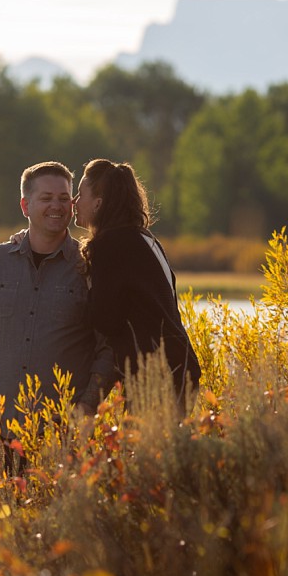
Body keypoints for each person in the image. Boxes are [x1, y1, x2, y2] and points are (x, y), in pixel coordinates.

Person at [0, 161, 113, 474]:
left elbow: (109, 345)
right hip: (3, 432)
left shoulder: (89, 269)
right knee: (7, 520)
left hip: (66, 436)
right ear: (25, 205)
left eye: (64, 198)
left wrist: (89, 406)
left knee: (63, 521)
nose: (57, 206)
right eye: (47, 198)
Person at [72, 158, 201, 414]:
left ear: (98, 203)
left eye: (80, 194)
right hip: (179, 367)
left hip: (155, 376)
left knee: (144, 451)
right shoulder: (145, 238)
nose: (74, 202)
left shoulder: (110, 246)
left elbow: (106, 320)